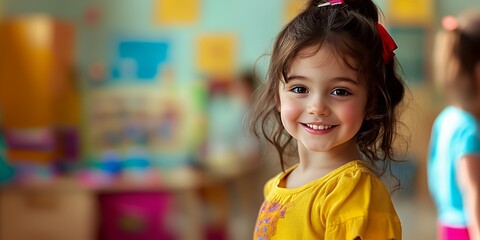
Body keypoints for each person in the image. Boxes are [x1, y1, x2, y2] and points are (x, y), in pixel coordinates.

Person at [246, 0, 406, 239]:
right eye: (300, 89)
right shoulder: (275, 187)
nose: (317, 107)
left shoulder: (353, 195)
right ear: (277, 97)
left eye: (340, 91)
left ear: (371, 101)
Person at [427, 10, 480, 240]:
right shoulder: (469, 130)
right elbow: (473, 193)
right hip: (468, 229)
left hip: (447, 224)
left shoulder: (447, 118)